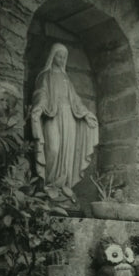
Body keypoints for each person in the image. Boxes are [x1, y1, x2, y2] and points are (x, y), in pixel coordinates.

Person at [30, 43, 99, 191]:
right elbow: (41, 93)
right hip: (52, 115)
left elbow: (75, 100)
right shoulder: (46, 76)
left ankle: (63, 186)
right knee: (53, 149)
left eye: (64, 57)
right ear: (52, 56)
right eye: (59, 56)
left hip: (69, 117)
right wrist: (39, 107)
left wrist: (86, 114)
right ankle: (49, 184)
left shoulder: (66, 78)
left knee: (68, 152)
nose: (61, 59)